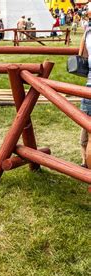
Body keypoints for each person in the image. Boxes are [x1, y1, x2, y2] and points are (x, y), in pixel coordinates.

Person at [78, 11, 91, 168]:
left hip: (90, 85)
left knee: (86, 123)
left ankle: (85, 162)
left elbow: (81, 55)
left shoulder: (88, 32)